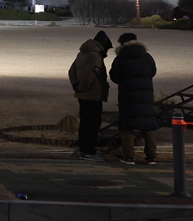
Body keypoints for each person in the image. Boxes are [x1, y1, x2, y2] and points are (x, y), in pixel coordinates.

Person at [109, 32, 159, 165]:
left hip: (128, 96)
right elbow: (153, 72)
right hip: (146, 96)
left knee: (127, 126)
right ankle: (151, 157)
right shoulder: (147, 57)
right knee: (148, 126)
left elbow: (115, 77)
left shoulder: (120, 58)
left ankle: (129, 156)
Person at [68, 30, 113, 161]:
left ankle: (83, 149)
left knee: (84, 123)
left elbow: (71, 71)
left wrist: (76, 85)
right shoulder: (96, 56)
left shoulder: (81, 53)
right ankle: (89, 151)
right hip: (93, 95)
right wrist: (83, 87)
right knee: (93, 124)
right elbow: (89, 75)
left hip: (82, 96)